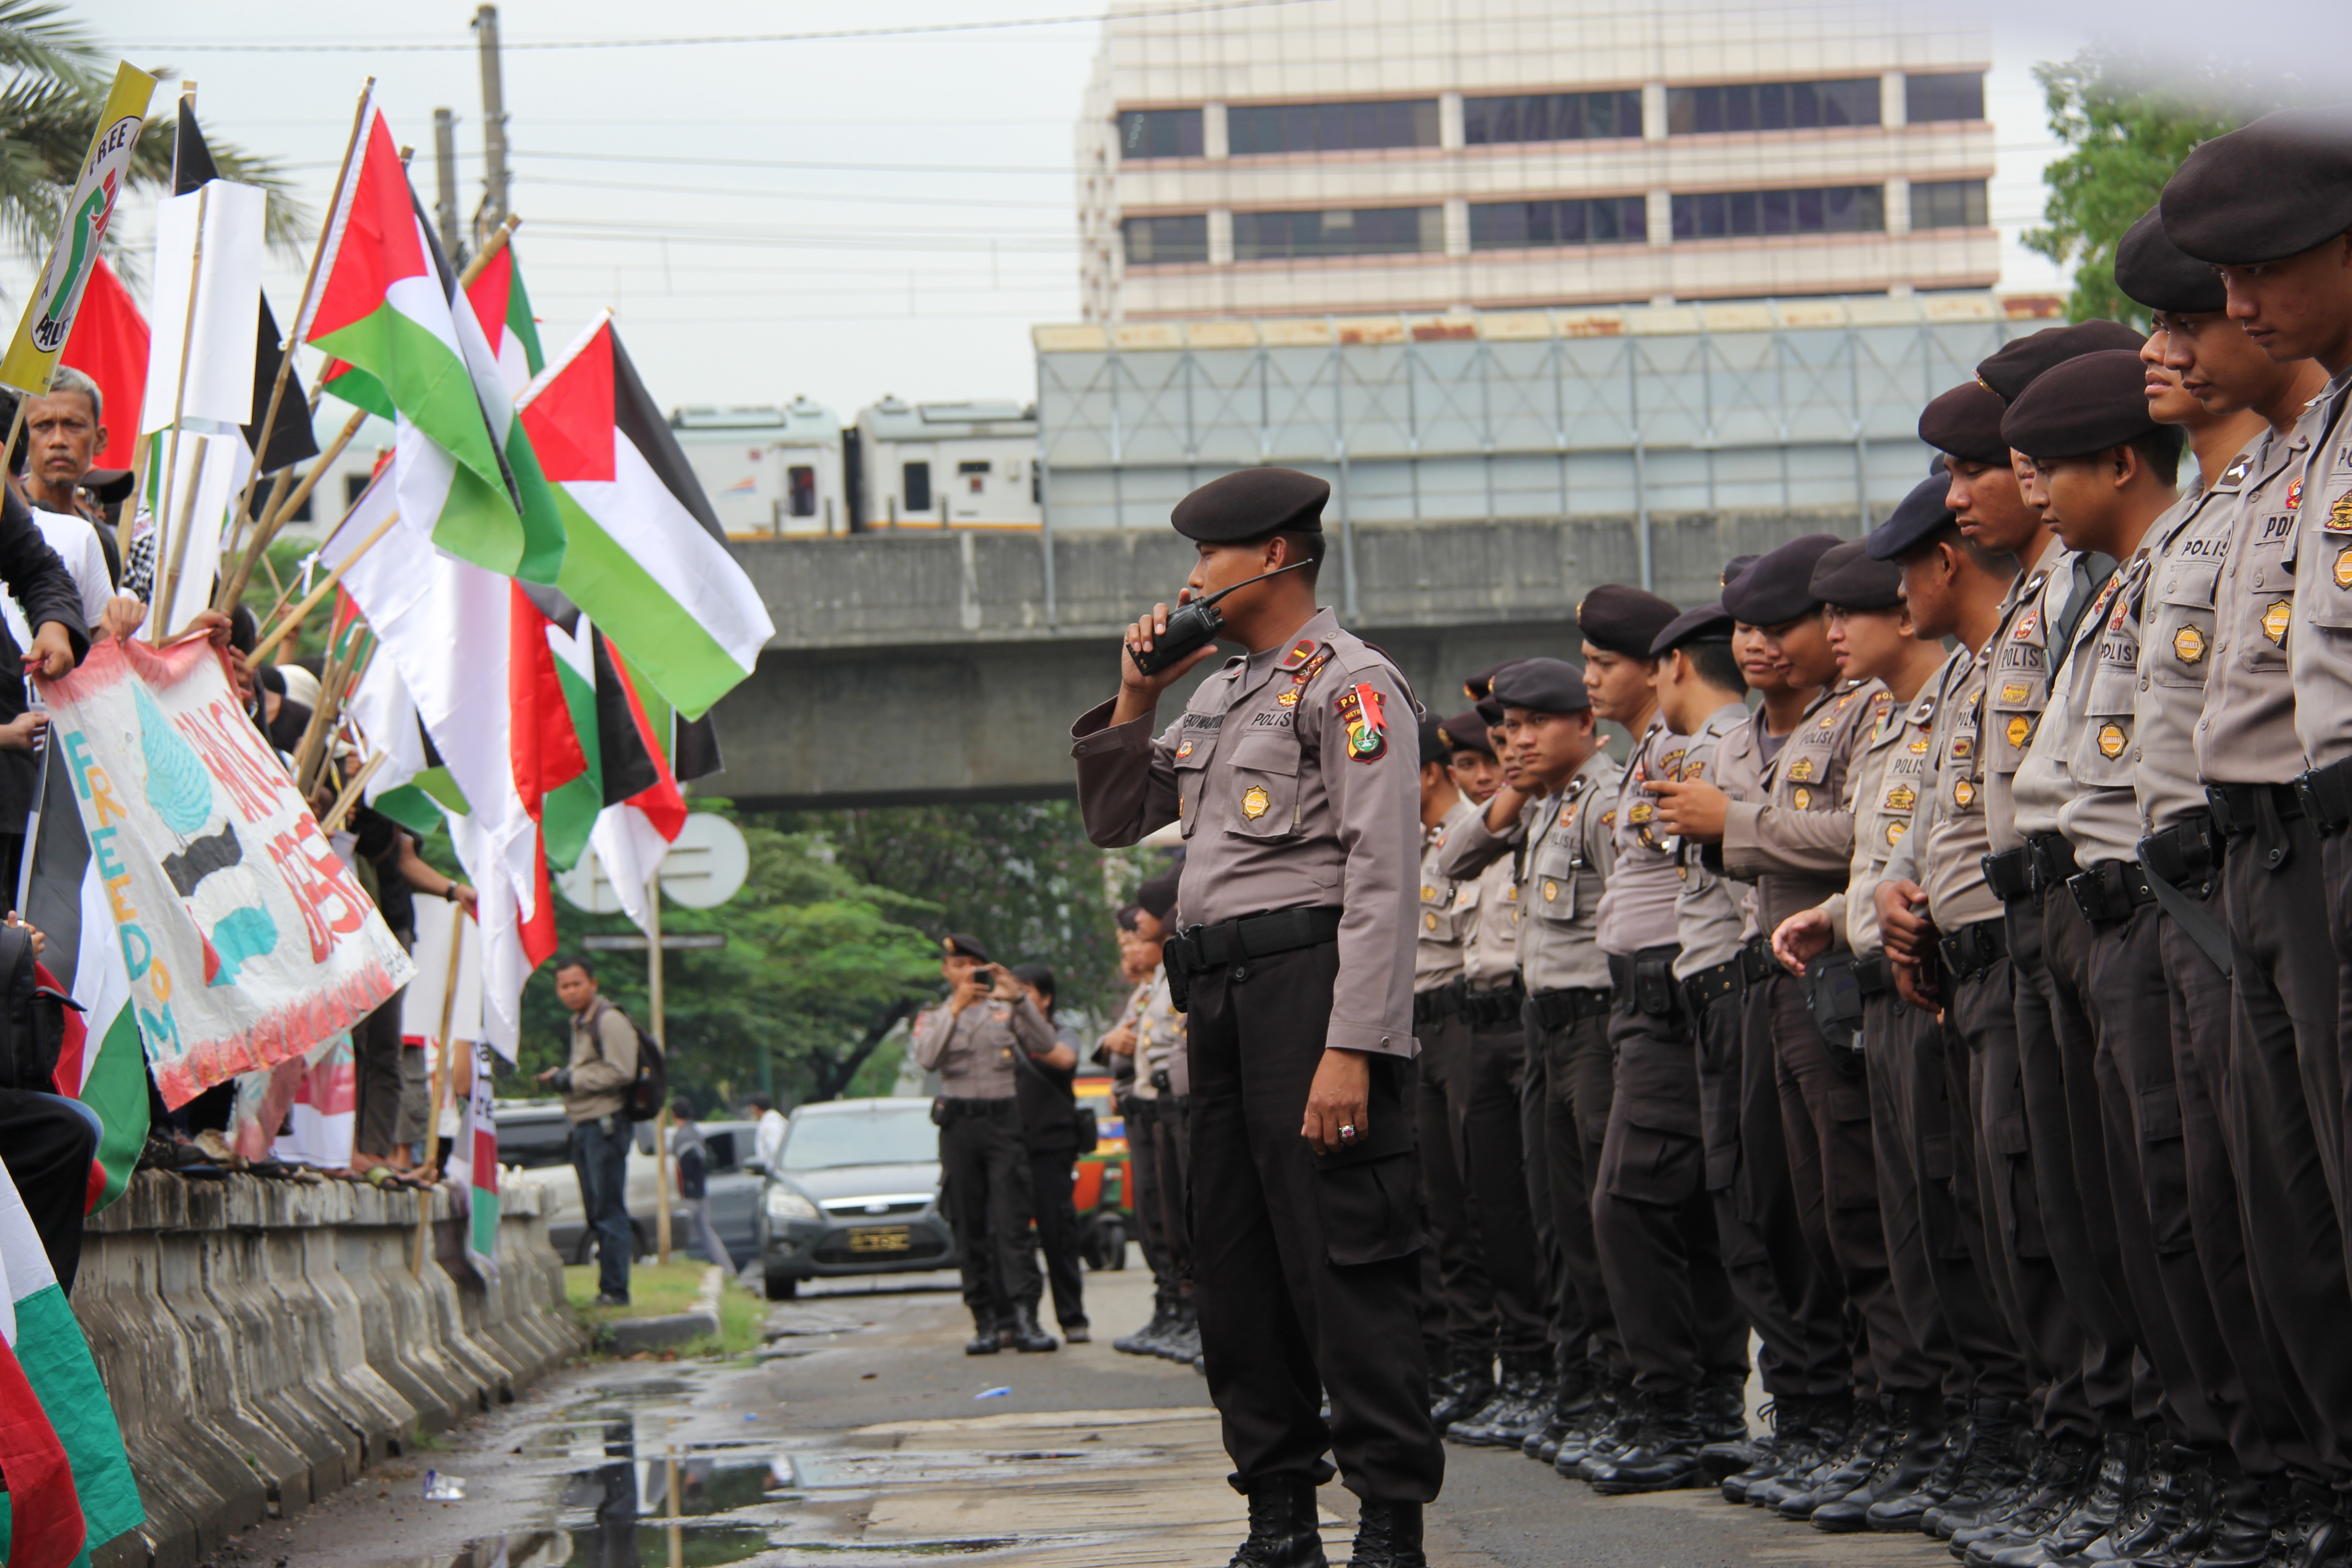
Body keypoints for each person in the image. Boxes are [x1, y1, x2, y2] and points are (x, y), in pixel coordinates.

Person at [1073, 465, 1439, 1568]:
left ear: (1276, 556)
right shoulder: (1219, 692)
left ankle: (1386, 1520)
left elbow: (1384, 873)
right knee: (1232, 1265)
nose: (1188, 580)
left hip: (1310, 995)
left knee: (1344, 1261)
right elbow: (1116, 816)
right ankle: (1276, 1512)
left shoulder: (1353, 684)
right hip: (1217, 1003)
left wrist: (1353, 1044)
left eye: (1209, 558)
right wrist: (1133, 691)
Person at [2126, 197, 2352, 1557]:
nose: (2216, 322)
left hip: (2305, 840)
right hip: (2263, 859)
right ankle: (2313, 1477)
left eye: (2249, 279)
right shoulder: (2292, 460)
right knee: (2264, 1202)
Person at [1768, 529, 1977, 1532]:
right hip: (1876, 984)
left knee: (1959, 1220)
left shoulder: (1947, 704)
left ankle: (1969, 1433)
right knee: (1890, 1225)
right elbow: (1877, 857)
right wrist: (1838, 917)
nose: (1831, 630)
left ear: (1905, 613)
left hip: (1937, 984)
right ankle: (1919, 1428)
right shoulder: (1888, 721)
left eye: (1848, 610)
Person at [1438, 663, 1623, 1463]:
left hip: (1597, 1026)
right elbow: (1455, 852)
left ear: (1586, 722)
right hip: (1542, 1027)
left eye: (1527, 726)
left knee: (1603, 1220)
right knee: (1553, 1226)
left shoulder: (1606, 801)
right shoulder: (1540, 807)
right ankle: (1578, 1389)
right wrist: (1514, 783)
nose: (1510, 743)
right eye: (1502, 730)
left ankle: (1625, 1394)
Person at [910, 932, 1058, 1356]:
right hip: (959, 1125)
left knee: (1014, 1225)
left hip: (1002, 1121)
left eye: (973, 966)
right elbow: (927, 1059)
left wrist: (1019, 999)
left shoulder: (1004, 1010)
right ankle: (985, 1322)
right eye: (957, 966)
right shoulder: (935, 1017)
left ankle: (1027, 1319)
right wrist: (955, 1008)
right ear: (946, 970)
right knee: (969, 1225)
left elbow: (1046, 1045)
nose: (964, 973)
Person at [537, 956, 641, 1307]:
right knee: (595, 1212)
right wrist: (562, 1079)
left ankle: (616, 1291)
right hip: (583, 1125)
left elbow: (623, 1071)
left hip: (607, 1125)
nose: (570, 991)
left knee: (610, 1212)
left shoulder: (608, 1019)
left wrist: (574, 1079)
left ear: (593, 984)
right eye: (564, 986)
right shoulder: (579, 1022)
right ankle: (607, 1289)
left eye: (577, 984)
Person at [1009, 961, 1090, 1344]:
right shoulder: (1002, 1036)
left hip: (1050, 1150)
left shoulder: (1062, 1035)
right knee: (1011, 1239)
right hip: (1008, 1149)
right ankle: (1018, 1321)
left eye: (1025, 994)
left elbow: (1065, 1060)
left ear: (1045, 998)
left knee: (1059, 1236)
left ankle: (1073, 1319)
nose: (1017, 1001)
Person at [13, 368, 126, 582]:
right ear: (21, 438)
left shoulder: (100, 540)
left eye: (72, 425)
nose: (58, 440)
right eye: (43, 425)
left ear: (100, 440)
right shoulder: (6, 518)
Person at [670, 1098, 735, 1275]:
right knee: (706, 1232)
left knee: (678, 1232)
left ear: (673, 1115)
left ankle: (673, 1268)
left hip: (689, 1194)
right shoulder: (696, 1132)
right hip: (701, 1191)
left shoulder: (682, 1136)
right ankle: (728, 1270)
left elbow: (683, 1164)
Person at [750, 1093, 786, 1175]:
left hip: (775, 1175)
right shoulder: (770, 1122)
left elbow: (777, 1151)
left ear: (755, 1109)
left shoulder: (771, 1125)